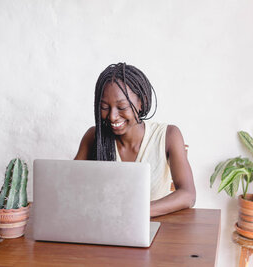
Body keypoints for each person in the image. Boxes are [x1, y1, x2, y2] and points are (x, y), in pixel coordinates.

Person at [74, 63, 196, 217]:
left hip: (153, 228)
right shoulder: (94, 137)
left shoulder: (168, 135)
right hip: (104, 226)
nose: (112, 116)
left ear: (141, 102)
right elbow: (69, 186)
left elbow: (188, 195)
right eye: (105, 107)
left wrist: (135, 212)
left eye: (122, 107)